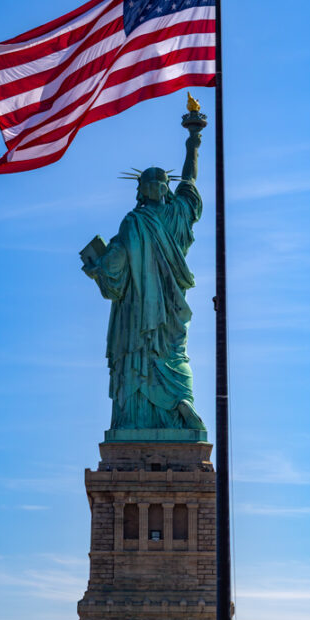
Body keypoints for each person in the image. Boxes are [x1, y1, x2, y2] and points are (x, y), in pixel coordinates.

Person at [83, 113, 206, 433]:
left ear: (141, 192)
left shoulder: (133, 223)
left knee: (139, 358)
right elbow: (190, 183)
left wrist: (96, 268)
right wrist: (193, 139)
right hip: (171, 308)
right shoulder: (176, 214)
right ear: (166, 188)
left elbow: (114, 268)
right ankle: (182, 400)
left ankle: (134, 418)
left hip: (137, 316)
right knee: (175, 354)